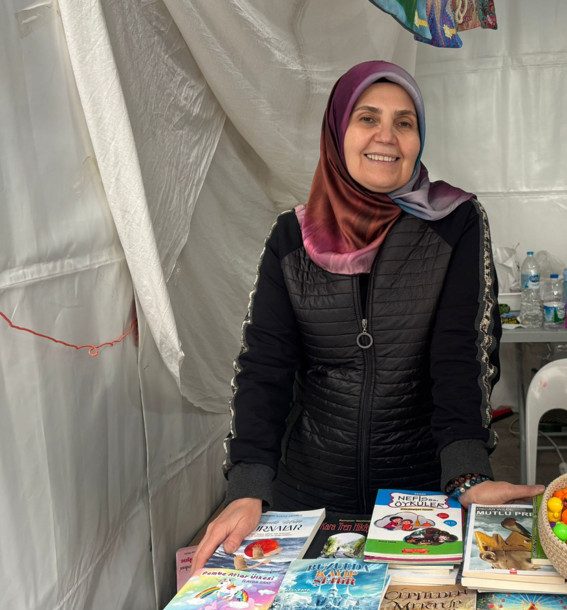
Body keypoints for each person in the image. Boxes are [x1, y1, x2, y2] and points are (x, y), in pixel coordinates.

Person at [192, 60, 544, 571]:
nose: (388, 136)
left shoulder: (455, 223)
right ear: (338, 131)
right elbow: (264, 367)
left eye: (405, 122)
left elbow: (460, 356)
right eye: (367, 118)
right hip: (306, 497)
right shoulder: (292, 237)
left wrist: (467, 473)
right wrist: (248, 484)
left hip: (420, 498)